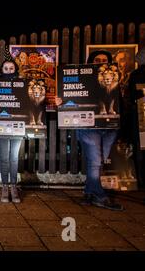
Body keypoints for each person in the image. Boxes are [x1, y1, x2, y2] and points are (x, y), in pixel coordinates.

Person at [56, 50, 123, 211]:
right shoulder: (83, 78)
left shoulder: (115, 81)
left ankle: (88, 193)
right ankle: (100, 197)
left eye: (104, 60)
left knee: (98, 162)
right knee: (95, 161)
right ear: (90, 61)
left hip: (109, 126)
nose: (100, 62)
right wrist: (61, 101)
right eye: (97, 59)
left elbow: (118, 102)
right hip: (88, 125)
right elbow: (71, 96)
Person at [0, 47, 23, 203]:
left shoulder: (22, 82)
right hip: (1, 123)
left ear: (15, 69)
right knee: (4, 157)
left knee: (14, 157)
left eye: (11, 68)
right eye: (6, 68)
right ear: (2, 69)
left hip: (17, 125)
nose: (9, 70)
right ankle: (4, 186)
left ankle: (14, 186)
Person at [128, 47, 145, 188]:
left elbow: (131, 96)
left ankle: (141, 181)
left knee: (140, 149)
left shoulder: (136, 75)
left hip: (140, 117)